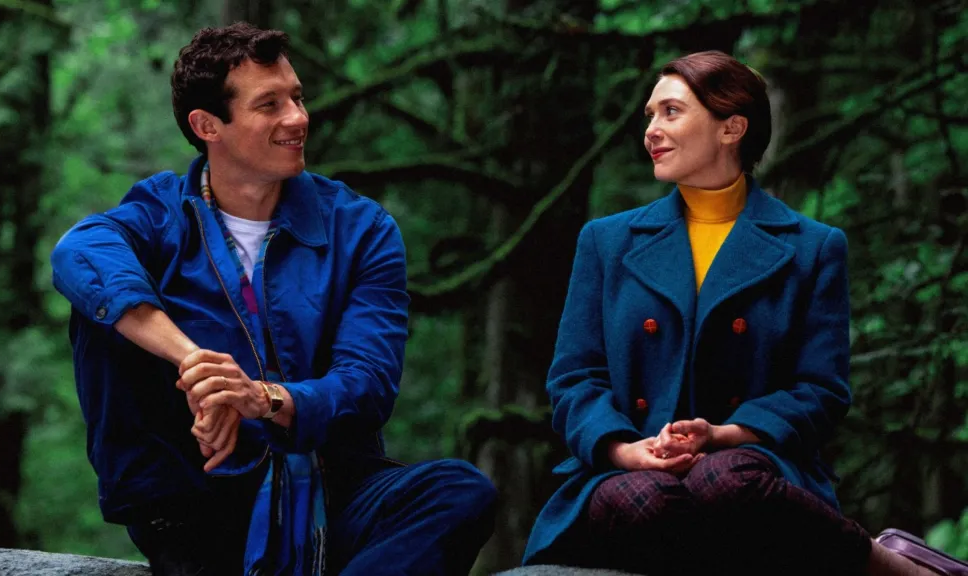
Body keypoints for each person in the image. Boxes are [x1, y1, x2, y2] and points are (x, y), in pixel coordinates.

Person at [51, 22, 496, 576]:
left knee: (460, 491)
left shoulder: (360, 228)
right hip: (193, 497)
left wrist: (263, 398)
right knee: (105, 304)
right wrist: (196, 365)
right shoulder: (159, 213)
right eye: (270, 104)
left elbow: (367, 383)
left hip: (332, 487)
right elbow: (77, 252)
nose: (298, 118)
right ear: (207, 125)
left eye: (297, 97)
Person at [522, 50, 940, 576]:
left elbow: (820, 390)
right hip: (628, 466)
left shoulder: (813, 247)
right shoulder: (606, 241)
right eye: (649, 115)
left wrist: (724, 435)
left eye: (671, 112)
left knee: (723, 483)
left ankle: (891, 567)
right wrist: (626, 450)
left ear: (731, 128)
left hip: (750, 462)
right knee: (645, 499)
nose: (651, 130)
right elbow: (574, 378)